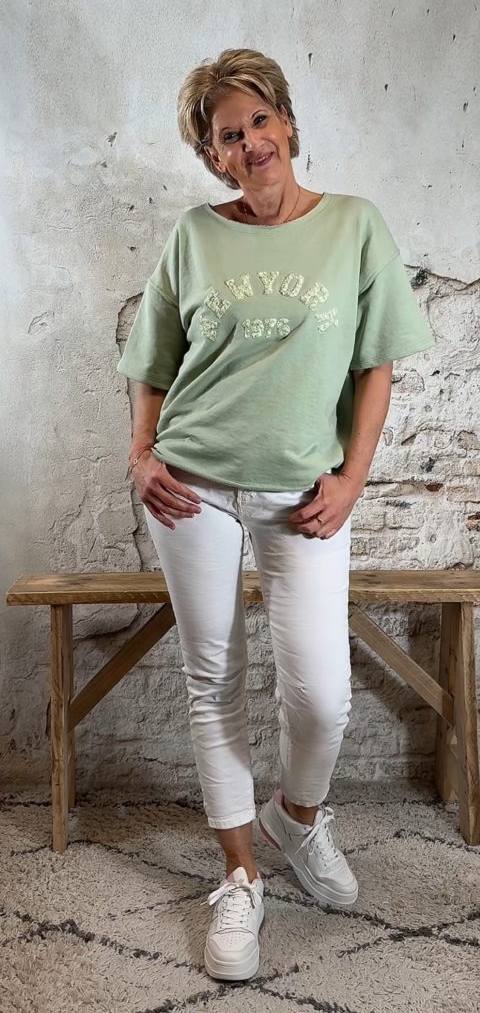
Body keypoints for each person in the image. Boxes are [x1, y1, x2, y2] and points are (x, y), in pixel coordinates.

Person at [116, 48, 435, 982]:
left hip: (304, 493)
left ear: (287, 123)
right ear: (211, 155)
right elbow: (152, 363)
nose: (250, 142)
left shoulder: (354, 225)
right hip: (192, 485)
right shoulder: (194, 236)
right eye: (228, 134)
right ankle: (240, 874)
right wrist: (141, 455)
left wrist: (354, 478)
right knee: (211, 676)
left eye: (260, 121)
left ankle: (295, 817)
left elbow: (377, 365)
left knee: (322, 696)